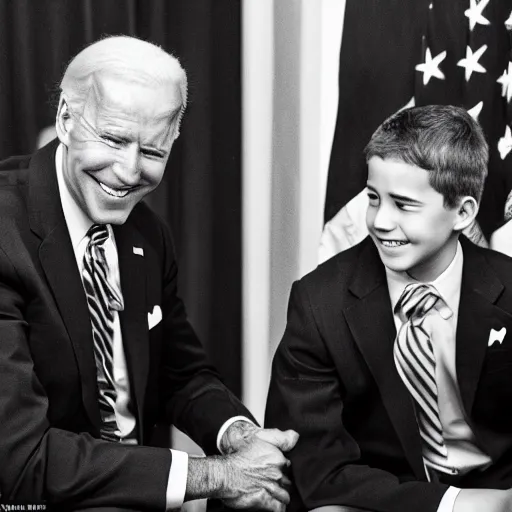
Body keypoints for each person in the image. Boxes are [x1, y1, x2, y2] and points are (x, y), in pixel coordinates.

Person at [0, 35, 298, 512]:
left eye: (153, 151)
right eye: (114, 139)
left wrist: (239, 437)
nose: (129, 171)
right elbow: (21, 458)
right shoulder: (4, 231)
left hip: (141, 494)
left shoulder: (146, 232)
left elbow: (179, 373)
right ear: (66, 119)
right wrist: (216, 476)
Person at [266, 105, 512, 512]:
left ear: (463, 213)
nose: (379, 221)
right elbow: (317, 467)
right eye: (374, 198)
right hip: (385, 498)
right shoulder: (319, 302)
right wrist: (455, 504)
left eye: (404, 204)